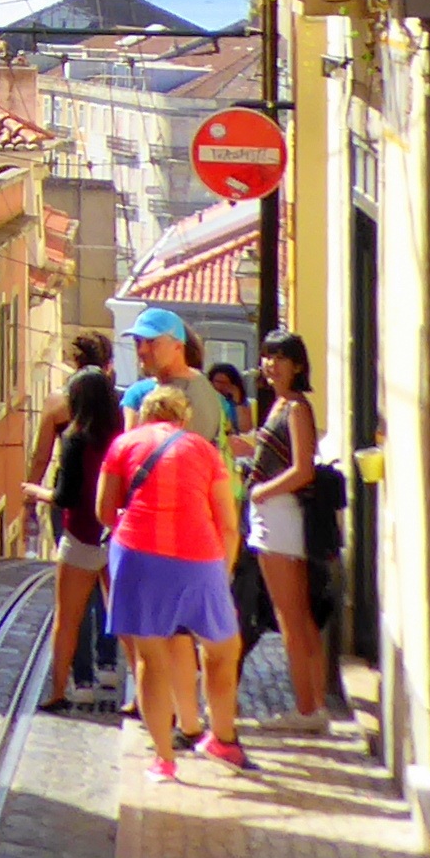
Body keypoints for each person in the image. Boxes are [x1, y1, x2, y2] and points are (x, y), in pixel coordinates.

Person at [99, 380, 248, 781]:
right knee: (221, 651)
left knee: (151, 658)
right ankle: (222, 738)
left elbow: (104, 510)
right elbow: (228, 523)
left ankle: (163, 759)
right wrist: (223, 571)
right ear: (184, 417)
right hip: (199, 557)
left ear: (146, 415)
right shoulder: (203, 448)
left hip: (138, 555)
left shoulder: (123, 445)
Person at [127, 310, 244, 731]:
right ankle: (190, 725)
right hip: (171, 533)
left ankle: (209, 730)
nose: (142, 350)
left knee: (198, 639)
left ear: (177, 344)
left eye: (151, 342)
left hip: (191, 533)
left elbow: (197, 467)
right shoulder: (162, 391)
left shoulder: (195, 394)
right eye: (138, 342)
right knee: (175, 637)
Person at [19, 331, 124, 710]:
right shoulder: (121, 422)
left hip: (78, 528)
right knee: (119, 607)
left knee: (69, 613)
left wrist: (33, 494)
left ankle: (69, 686)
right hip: (114, 531)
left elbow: (46, 466)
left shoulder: (66, 421)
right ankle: (116, 670)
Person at [240, 330, 332, 730]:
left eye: (280, 357)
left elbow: (302, 468)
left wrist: (260, 490)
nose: (271, 364)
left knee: (291, 615)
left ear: (298, 365)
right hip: (275, 518)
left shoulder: (294, 408)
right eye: (267, 356)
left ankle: (306, 710)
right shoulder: (279, 405)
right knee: (300, 616)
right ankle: (313, 705)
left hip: (280, 519)